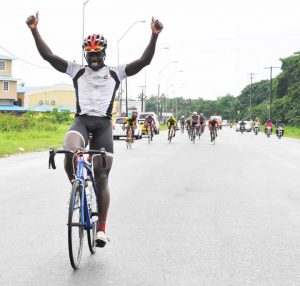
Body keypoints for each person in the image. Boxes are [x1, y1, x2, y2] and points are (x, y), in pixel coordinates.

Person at [26, 12, 163, 247]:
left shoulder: (115, 73)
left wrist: (154, 35)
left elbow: (144, 61)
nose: (93, 58)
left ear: (104, 53)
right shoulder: (76, 70)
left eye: (97, 54)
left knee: (101, 175)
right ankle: (76, 189)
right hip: (81, 121)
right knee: (69, 151)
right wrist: (34, 29)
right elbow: (48, 56)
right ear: (85, 55)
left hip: (102, 126)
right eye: (90, 54)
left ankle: (101, 229)